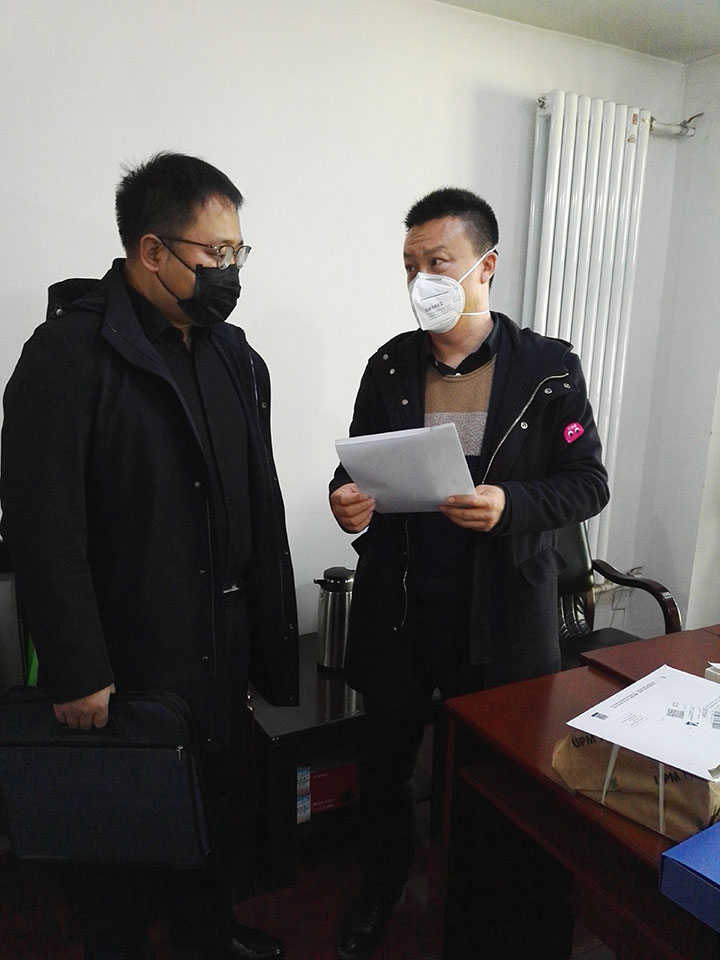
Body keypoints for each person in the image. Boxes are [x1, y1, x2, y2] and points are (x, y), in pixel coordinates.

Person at [0, 153, 298, 960]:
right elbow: (42, 525)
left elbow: (254, 497)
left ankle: (212, 935)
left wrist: (265, 636)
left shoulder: (235, 355)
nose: (230, 271)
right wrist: (76, 668)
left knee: (214, 815)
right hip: (124, 653)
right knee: (120, 844)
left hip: (220, 643)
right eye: (216, 253)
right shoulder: (67, 356)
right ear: (152, 250)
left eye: (238, 252)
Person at [328, 187, 610, 960]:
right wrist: (347, 503)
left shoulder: (548, 369)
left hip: (501, 617)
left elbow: (588, 483)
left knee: (494, 775)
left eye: (438, 262)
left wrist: (511, 504)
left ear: (486, 266)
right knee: (385, 764)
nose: (422, 279)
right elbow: (355, 469)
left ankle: (482, 902)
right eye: (410, 265)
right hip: (400, 607)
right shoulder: (390, 364)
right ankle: (382, 886)